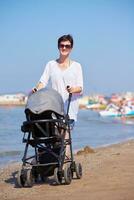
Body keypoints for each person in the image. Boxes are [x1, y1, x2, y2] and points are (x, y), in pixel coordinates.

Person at [32, 34, 83, 157]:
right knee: (53, 136)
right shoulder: (51, 64)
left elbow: (80, 87)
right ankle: (51, 161)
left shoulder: (77, 66)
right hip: (54, 106)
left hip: (69, 106)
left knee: (64, 136)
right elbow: (43, 81)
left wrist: (72, 89)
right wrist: (36, 89)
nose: (64, 48)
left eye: (67, 46)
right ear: (58, 47)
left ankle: (63, 165)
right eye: (62, 45)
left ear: (71, 48)